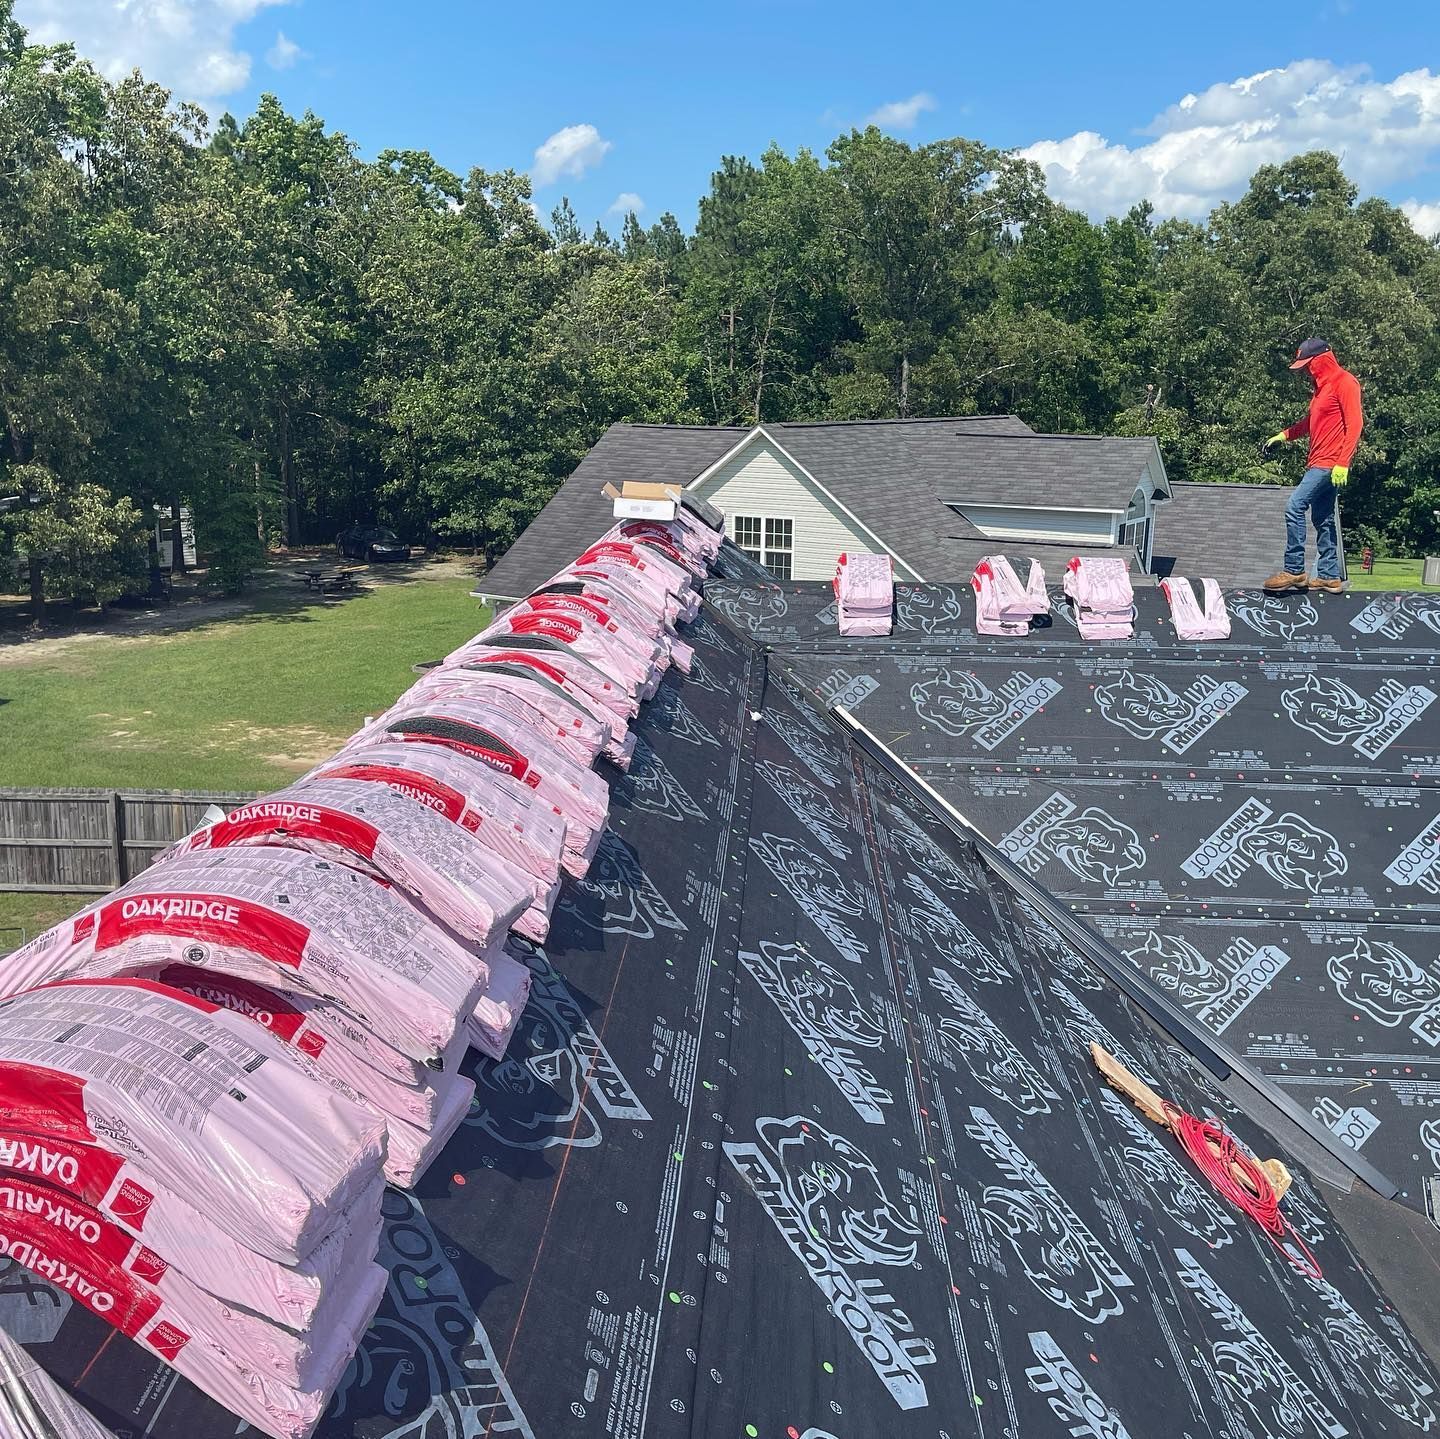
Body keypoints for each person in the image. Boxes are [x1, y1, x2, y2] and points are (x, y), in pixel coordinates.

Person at [1260, 338, 1363, 594]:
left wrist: (1343, 463)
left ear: (1322, 359)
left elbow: (1355, 424)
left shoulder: (1345, 382)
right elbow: (1311, 422)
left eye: (1308, 365)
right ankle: (1329, 575)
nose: (1307, 371)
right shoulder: (1321, 390)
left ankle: (1294, 569)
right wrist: (1283, 435)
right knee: (1323, 517)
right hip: (1319, 462)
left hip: (1330, 463)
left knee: (1294, 506)